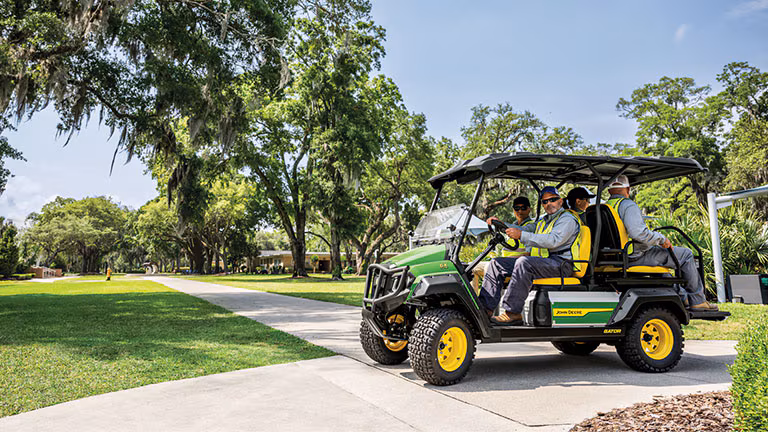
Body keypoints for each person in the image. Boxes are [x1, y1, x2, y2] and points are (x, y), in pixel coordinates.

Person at [605, 175, 717, 311]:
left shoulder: (605, 207)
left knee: (662, 268)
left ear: (609, 190)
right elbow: (638, 233)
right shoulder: (628, 205)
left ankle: (683, 297)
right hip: (633, 256)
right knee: (686, 254)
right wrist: (661, 239)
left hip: (612, 257)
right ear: (627, 189)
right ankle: (697, 300)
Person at [480, 187, 581, 323]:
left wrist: (521, 235)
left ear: (560, 201)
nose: (549, 203)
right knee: (496, 263)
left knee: (524, 262)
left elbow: (553, 240)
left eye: (553, 199)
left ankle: (512, 313)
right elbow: (523, 229)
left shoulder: (567, 219)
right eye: (545, 202)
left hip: (562, 263)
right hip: (546, 262)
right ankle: (484, 311)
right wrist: (501, 224)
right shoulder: (544, 220)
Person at [472, 196, 533, 292]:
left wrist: (501, 223)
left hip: (519, 264)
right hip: (507, 262)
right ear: (513, 210)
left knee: (492, 267)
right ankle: (474, 303)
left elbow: (528, 254)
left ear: (529, 209)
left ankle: (490, 305)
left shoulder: (531, 226)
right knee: (473, 267)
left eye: (523, 208)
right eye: (517, 208)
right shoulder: (513, 226)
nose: (520, 211)